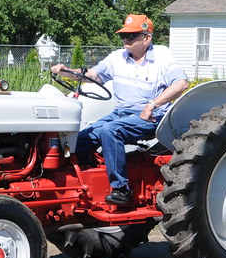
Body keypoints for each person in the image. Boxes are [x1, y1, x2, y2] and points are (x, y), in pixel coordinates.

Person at [50, 14, 189, 206]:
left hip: (152, 117)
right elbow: (92, 76)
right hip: (122, 114)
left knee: (110, 131)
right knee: (79, 139)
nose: (125, 40)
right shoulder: (117, 57)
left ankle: (121, 189)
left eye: (131, 36)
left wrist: (152, 105)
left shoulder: (162, 56)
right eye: (123, 35)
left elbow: (181, 84)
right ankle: (91, 179)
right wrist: (66, 72)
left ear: (146, 38)